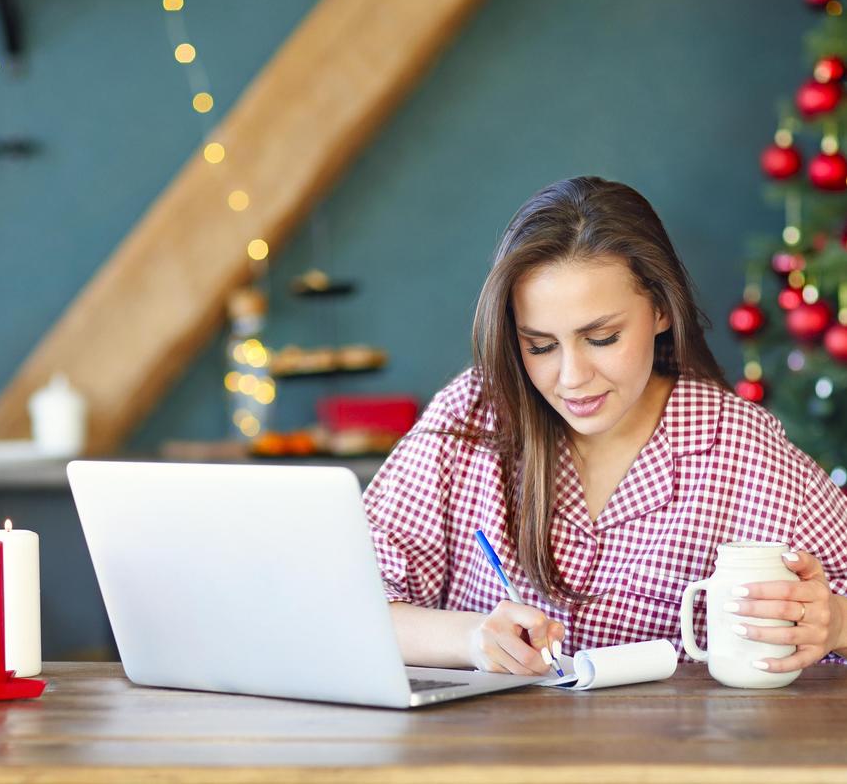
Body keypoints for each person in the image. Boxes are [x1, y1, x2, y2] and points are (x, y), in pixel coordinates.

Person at [363, 176, 847, 677]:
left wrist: (832, 622)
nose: (572, 379)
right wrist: (468, 639)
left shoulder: (741, 447)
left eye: (602, 337)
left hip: (672, 754)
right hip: (487, 752)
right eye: (541, 345)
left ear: (661, 309)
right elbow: (342, 599)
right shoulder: (473, 413)